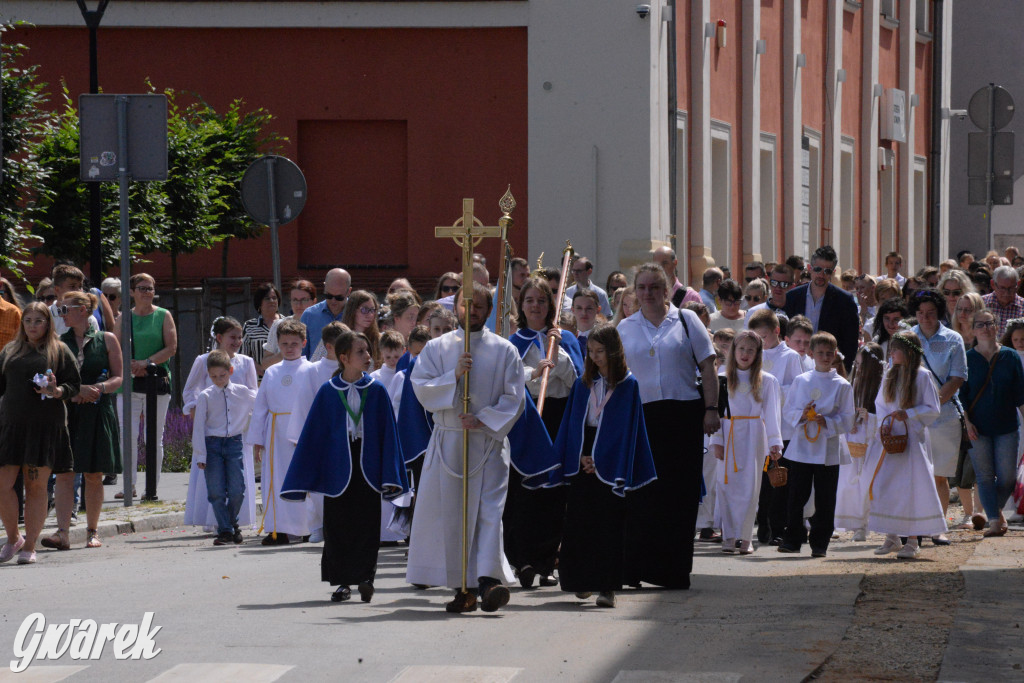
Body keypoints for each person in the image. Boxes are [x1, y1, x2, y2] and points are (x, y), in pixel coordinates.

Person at [406, 282, 532, 613]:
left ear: (489, 311)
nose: (472, 310)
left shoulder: (505, 350)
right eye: (466, 304)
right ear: (456, 307)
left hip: (488, 442)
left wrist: (485, 419)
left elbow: (515, 398)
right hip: (450, 440)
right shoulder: (438, 348)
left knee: (489, 512)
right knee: (455, 517)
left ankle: (489, 581)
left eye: (479, 306)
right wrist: (453, 376)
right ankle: (463, 586)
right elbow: (421, 386)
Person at [282, 331, 409, 603]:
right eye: (360, 352)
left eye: (368, 350)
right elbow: (315, 433)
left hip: (368, 463)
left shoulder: (376, 390)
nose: (368, 356)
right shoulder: (328, 392)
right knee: (338, 525)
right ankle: (342, 582)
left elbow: (389, 433)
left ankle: (365, 578)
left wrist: (391, 470)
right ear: (343, 358)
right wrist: (307, 472)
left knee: (367, 523)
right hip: (338, 464)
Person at [617, 263, 719, 589]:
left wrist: (711, 409)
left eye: (654, 287)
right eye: (642, 287)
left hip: (683, 416)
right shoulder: (625, 327)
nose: (648, 293)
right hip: (641, 417)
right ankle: (634, 568)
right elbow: (614, 377)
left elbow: (708, 366)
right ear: (635, 291)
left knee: (680, 494)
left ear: (666, 290)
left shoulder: (687, 320)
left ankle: (672, 571)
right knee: (641, 494)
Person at [553, 324, 657, 608]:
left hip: (612, 460)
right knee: (580, 522)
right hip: (584, 454)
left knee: (608, 525)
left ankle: (607, 586)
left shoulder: (628, 385)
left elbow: (626, 430)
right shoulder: (582, 383)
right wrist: (579, 456)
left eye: (600, 351)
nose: (596, 357)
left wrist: (603, 458)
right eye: (591, 352)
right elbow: (573, 424)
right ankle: (581, 580)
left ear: (613, 351)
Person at [506, 277, 579, 587]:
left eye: (541, 300)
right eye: (529, 300)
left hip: (556, 417)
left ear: (551, 305)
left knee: (553, 492)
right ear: (521, 306)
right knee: (522, 492)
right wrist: (532, 373)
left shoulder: (566, 339)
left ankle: (546, 562)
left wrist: (557, 354)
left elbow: (574, 382)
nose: (535, 306)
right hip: (525, 419)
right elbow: (508, 381)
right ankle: (519, 560)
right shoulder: (512, 342)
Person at [0, 303, 81, 565]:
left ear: (48, 324)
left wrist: (57, 391)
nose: (32, 326)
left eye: (38, 321)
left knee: (36, 486)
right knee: (3, 485)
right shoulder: (10, 351)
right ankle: (14, 538)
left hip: (45, 427)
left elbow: (73, 385)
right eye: (28, 321)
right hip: (12, 427)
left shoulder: (59, 350)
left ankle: (30, 546)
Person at [41, 292, 121, 552]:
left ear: (84, 310)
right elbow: (51, 380)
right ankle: (62, 533)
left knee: (94, 474)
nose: (62, 314)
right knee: (65, 473)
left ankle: (92, 531)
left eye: (66, 309)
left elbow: (119, 378)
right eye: (60, 310)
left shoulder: (106, 339)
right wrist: (75, 392)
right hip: (67, 413)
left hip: (98, 411)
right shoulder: (57, 343)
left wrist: (98, 388)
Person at [868, 332, 946, 559]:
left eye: (896, 349)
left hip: (912, 441)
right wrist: (885, 427)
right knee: (889, 485)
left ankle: (912, 540)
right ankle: (891, 535)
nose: (891, 353)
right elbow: (880, 404)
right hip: (891, 439)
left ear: (909, 351)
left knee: (912, 487)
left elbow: (933, 408)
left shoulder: (922, 376)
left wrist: (909, 414)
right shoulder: (889, 374)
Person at [778, 332, 855, 557]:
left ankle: (820, 542)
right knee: (796, 495)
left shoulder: (842, 385)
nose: (824, 357)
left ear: (835, 355)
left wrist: (827, 421)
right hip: (803, 446)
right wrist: (802, 415)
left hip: (828, 448)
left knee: (826, 497)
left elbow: (848, 418)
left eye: (829, 353)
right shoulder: (801, 381)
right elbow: (788, 410)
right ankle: (792, 538)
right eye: (820, 353)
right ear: (811, 354)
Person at [181, 317, 259, 534]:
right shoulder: (204, 360)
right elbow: (189, 390)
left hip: (237, 428)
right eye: (232, 337)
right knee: (214, 477)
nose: (237, 341)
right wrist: (195, 407)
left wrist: (248, 415)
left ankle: (235, 519)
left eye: (239, 337)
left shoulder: (246, 362)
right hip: (212, 429)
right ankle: (213, 519)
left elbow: (254, 393)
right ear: (219, 337)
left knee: (237, 479)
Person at [710, 331, 783, 555]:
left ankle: (745, 537)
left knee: (750, 488)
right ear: (734, 351)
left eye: (751, 350)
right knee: (726, 486)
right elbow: (718, 412)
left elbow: (772, 413)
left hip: (753, 435)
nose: (745, 354)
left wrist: (774, 442)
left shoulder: (767, 380)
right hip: (729, 433)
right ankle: (729, 535)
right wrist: (717, 440)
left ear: (758, 354)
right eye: (741, 349)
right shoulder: (722, 377)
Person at [245, 319, 312, 545]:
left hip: (303, 432)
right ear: (278, 345)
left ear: (303, 343)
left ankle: (307, 528)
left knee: (304, 479)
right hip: (275, 434)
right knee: (276, 479)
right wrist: (257, 440)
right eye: (284, 344)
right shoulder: (272, 372)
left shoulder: (311, 370)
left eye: (294, 343)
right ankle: (278, 529)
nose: (289, 348)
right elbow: (261, 406)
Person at [960, 309, 1024, 538]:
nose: (986, 328)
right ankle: (995, 522)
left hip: (1007, 426)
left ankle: (992, 511)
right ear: (973, 329)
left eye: (990, 323)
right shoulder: (967, 358)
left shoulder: (1010, 356)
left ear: (997, 326)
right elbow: (962, 397)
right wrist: (967, 423)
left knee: (1007, 477)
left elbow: (1020, 394)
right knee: (985, 476)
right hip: (978, 427)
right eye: (980, 324)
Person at [910, 290, 967, 546]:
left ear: (939, 312)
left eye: (930, 313)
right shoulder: (908, 337)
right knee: (914, 474)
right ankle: (914, 526)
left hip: (944, 418)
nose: (925, 318)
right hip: (914, 417)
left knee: (939, 476)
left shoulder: (953, 338)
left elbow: (957, 377)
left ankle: (938, 527)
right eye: (920, 313)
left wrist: (933, 403)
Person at [116, 273, 177, 499]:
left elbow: (171, 347)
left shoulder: (163, 315)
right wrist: (130, 366)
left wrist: (146, 362)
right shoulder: (124, 318)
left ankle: (151, 486)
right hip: (128, 384)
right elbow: (115, 347)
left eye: (150, 288)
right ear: (131, 292)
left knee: (153, 436)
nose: (147, 292)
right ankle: (128, 485)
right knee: (127, 436)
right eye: (142, 288)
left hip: (155, 382)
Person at [286, 321, 348, 545]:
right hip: (320, 435)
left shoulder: (352, 369)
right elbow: (303, 404)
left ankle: (341, 524)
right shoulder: (313, 370)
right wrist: (302, 437)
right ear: (329, 346)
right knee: (318, 486)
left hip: (347, 434)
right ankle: (318, 525)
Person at [748, 309, 805, 545]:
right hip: (756, 426)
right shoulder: (751, 355)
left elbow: (797, 389)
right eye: (755, 337)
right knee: (760, 482)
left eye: (763, 337)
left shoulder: (790, 357)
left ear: (777, 331)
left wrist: (773, 390)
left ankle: (777, 528)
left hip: (783, 427)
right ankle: (763, 528)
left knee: (779, 480)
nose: (759, 342)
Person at [191, 350, 257, 546]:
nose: (218, 380)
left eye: (222, 375)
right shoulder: (205, 395)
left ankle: (231, 523)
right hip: (212, 444)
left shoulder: (243, 392)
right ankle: (226, 530)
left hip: (234, 443)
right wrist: (200, 454)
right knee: (216, 491)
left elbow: (261, 403)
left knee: (238, 489)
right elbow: (199, 427)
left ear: (231, 371)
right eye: (213, 377)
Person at [834, 343, 886, 539]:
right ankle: (856, 524)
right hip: (854, 438)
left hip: (872, 441)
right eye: (857, 364)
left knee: (867, 482)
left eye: (862, 365)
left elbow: (884, 415)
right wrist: (851, 422)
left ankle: (867, 523)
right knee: (849, 482)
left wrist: (869, 417)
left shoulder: (881, 385)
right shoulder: (854, 383)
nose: (858, 369)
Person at [783, 246, 859, 371]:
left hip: (828, 367)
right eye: (818, 269)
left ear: (833, 273)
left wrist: (844, 371)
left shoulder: (845, 300)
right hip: (795, 364)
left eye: (827, 271)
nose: (821, 275)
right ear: (809, 268)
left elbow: (850, 342)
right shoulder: (792, 297)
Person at [301, 269, 352, 360]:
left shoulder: (358, 315)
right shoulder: (309, 315)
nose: (333, 300)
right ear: (324, 287)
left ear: (349, 291)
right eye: (328, 295)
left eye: (339, 297)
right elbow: (302, 355)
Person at [263, 280, 317, 367]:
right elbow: (265, 363)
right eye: (295, 300)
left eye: (304, 300)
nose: (299, 305)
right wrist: (285, 351)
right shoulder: (278, 325)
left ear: (314, 301)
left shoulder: (320, 325)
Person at [241, 282, 283, 378]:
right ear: (259, 302)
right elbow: (244, 355)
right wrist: (260, 370)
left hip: (284, 378)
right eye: (267, 298)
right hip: (258, 380)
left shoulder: (287, 323)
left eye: (274, 298)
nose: (272, 301)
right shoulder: (249, 326)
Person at [746, 263, 794, 332]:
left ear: (792, 286)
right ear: (769, 282)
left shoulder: (798, 310)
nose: (778, 287)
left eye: (784, 284)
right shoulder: (753, 312)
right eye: (774, 282)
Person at [341, 291, 382, 368]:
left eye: (372, 310)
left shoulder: (380, 340)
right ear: (352, 310)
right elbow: (316, 365)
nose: (370, 315)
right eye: (364, 310)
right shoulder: (336, 336)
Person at [982, 265, 1024, 337]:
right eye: (1002, 288)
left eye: (1011, 288)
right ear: (993, 284)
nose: (1006, 293)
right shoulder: (981, 303)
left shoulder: (1022, 306)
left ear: (1018, 285)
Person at [571, 288, 601, 358]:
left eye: (589, 308)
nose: (584, 313)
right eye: (579, 308)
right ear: (572, 310)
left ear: (598, 310)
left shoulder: (603, 337)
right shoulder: (567, 337)